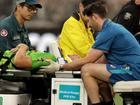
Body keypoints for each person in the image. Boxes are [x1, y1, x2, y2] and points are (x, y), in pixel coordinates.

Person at [42, 1, 140, 105]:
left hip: (132, 71)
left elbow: (88, 59)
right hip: (131, 68)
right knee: (95, 73)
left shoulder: (107, 32)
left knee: (87, 70)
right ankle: (108, 102)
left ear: (94, 17)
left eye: (88, 21)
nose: (88, 25)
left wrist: (60, 66)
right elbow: (98, 60)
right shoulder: (111, 28)